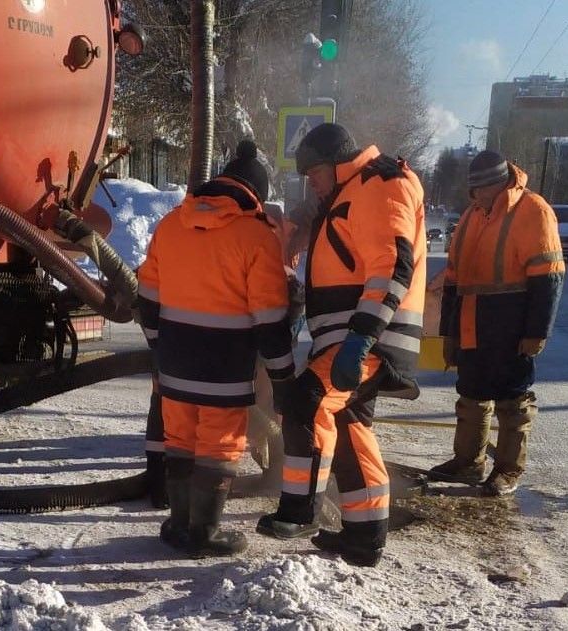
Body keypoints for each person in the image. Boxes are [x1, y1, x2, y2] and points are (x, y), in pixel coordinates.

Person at [256, 123, 427, 568]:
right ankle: (364, 536)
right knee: (350, 430)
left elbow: (392, 266)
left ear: (335, 165)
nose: (311, 184)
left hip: (368, 338)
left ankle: (300, 511)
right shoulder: (351, 191)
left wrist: (362, 338)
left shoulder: (379, 184)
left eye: (314, 174)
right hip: (349, 336)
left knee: (306, 401)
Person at [137, 140, 295, 557]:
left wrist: (158, 346)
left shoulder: (171, 225)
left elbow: (147, 297)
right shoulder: (256, 236)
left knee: (179, 437)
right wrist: (282, 376)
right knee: (218, 443)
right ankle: (204, 532)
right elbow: (270, 318)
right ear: (254, 195)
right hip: (225, 367)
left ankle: (179, 524)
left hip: (174, 363)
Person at [429, 150, 564, 496]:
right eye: (474, 191)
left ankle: (507, 470)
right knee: (471, 393)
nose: (479, 196)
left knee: (512, 399)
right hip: (472, 319)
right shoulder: (472, 215)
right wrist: (448, 332)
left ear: (501, 183)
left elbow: (548, 277)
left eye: (484, 189)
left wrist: (537, 331)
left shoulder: (533, 210)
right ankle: (468, 462)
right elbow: (454, 279)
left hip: (511, 321)